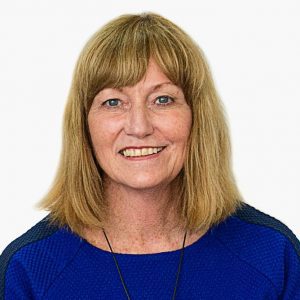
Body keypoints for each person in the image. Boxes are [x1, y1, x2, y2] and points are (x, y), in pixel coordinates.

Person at [0, 12, 299, 300]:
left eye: (163, 99)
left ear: (198, 117)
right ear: (84, 125)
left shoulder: (272, 257)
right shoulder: (30, 270)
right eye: (113, 101)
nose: (139, 127)